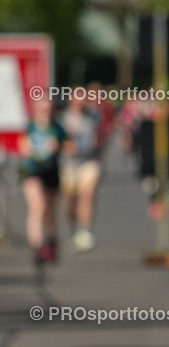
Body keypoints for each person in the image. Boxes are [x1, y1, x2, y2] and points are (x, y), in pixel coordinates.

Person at [20, 99, 70, 264]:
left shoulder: (57, 128)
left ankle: (51, 244)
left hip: (52, 172)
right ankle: (37, 246)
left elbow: (70, 145)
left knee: (50, 211)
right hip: (33, 171)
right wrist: (30, 147)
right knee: (38, 207)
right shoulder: (30, 127)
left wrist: (59, 147)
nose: (46, 112)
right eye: (42, 109)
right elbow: (22, 146)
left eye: (48, 109)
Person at [60, 96, 104, 251]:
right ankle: (73, 227)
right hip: (70, 165)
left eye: (83, 100)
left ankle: (84, 231)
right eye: (77, 101)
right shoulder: (63, 119)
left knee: (87, 194)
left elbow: (101, 136)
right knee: (70, 201)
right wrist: (66, 145)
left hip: (89, 162)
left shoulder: (94, 117)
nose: (80, 104)